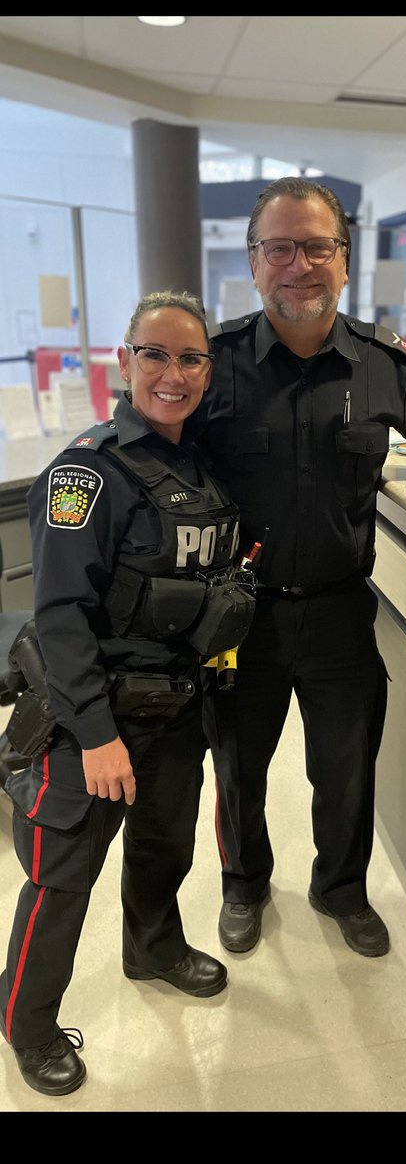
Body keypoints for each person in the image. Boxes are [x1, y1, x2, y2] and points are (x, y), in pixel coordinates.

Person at [196, 176, 406, 961]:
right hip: (240, 615)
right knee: (238, 764)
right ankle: (244, 883)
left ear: (344, 261)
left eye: (317, 246)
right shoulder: (218, 362)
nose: (298, 264)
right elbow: (146, 452)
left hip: (343, 610)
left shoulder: (383, 364)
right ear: (254, 261)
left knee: (345, 768)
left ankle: (340, 888)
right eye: (279, 247)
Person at [0, 290, 255, 1098]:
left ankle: (153, 948)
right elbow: (62, 619)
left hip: (179, 707)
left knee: (163, 848)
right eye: (155, 354)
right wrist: (99, 734)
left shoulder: (204, 463)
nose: (171, 373)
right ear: (125, 359)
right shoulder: (86, 473)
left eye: (189, 358)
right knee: (62, 880)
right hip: (92, 722)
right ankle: (28, 1025)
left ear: (207, 370)